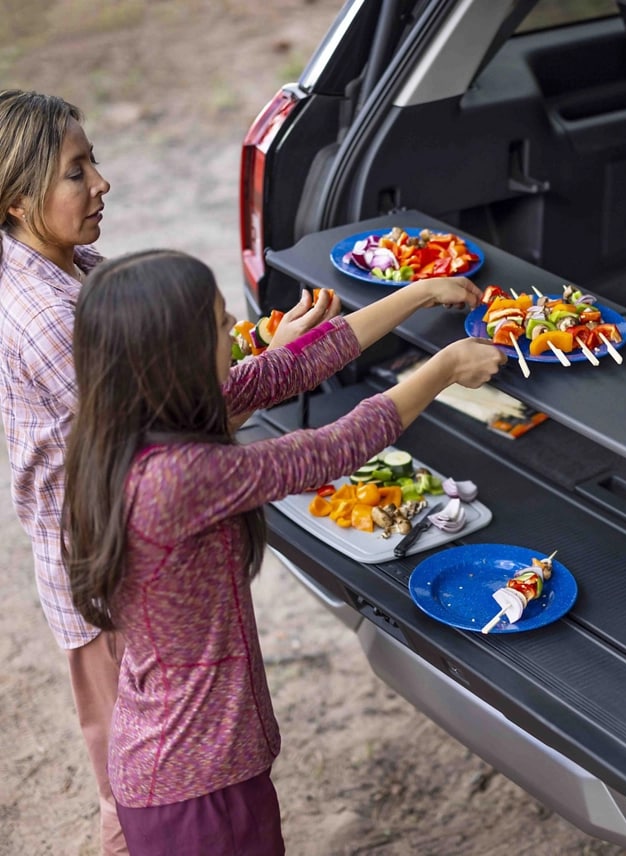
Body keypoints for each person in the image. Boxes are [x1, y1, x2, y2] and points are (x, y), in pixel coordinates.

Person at [61, 248, 505, 855]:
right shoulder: (175, 477)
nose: (233, 335)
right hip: (199, 787)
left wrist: (420, 292)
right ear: (176, 357)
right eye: (220, 325)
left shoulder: (126, 431)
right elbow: (327, 451)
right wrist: (443, 367)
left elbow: (290, 367)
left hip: (178, 764)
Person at [0, 88, 341, 856]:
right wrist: (280, 365)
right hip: (108, 566)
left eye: (94, 160)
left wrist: (262, 346)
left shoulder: (66, 262)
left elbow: (164, 381)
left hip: (121, 550)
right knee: (135, 786)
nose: (102, 184)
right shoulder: (48, 316)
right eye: (76, 172)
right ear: (19, 201)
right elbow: (172, 427)